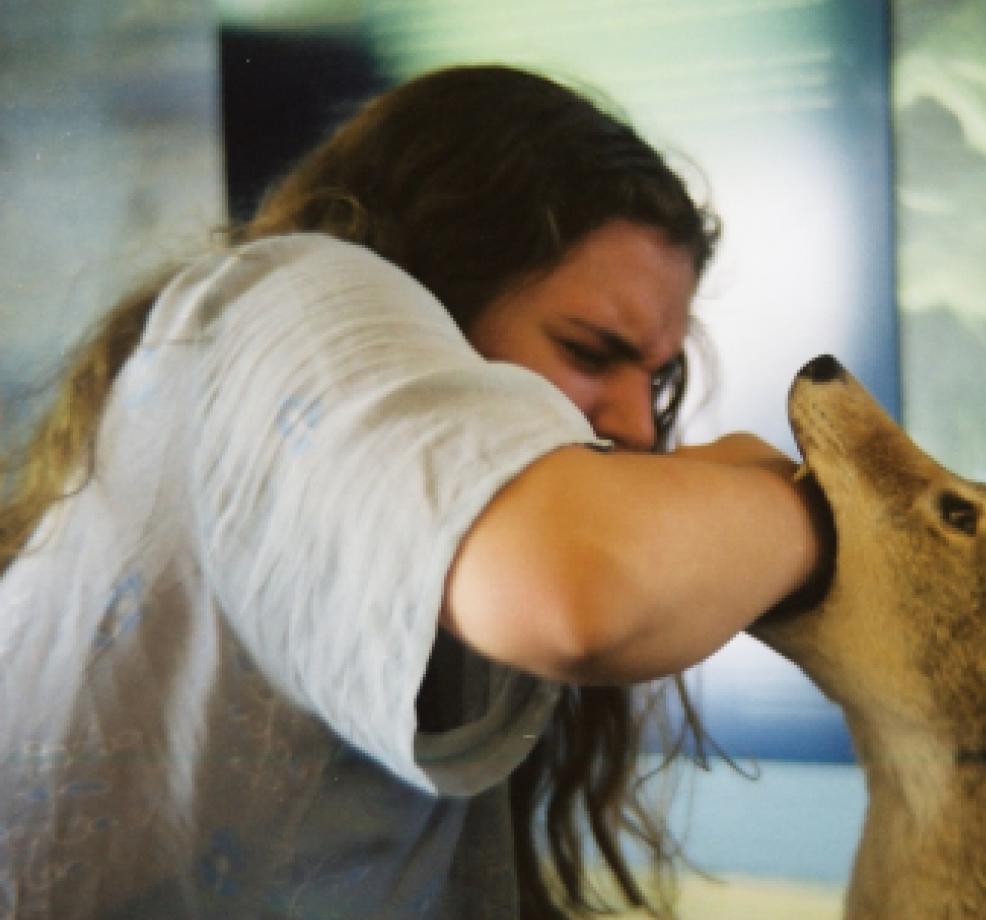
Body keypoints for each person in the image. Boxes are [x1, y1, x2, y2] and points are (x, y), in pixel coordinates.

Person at [0, 65, 828, 919]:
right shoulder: (297, 297)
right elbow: (578, 585)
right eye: (588, 352)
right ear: (432, 282)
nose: (639, 430)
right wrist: (817, 497)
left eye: (653, 380)